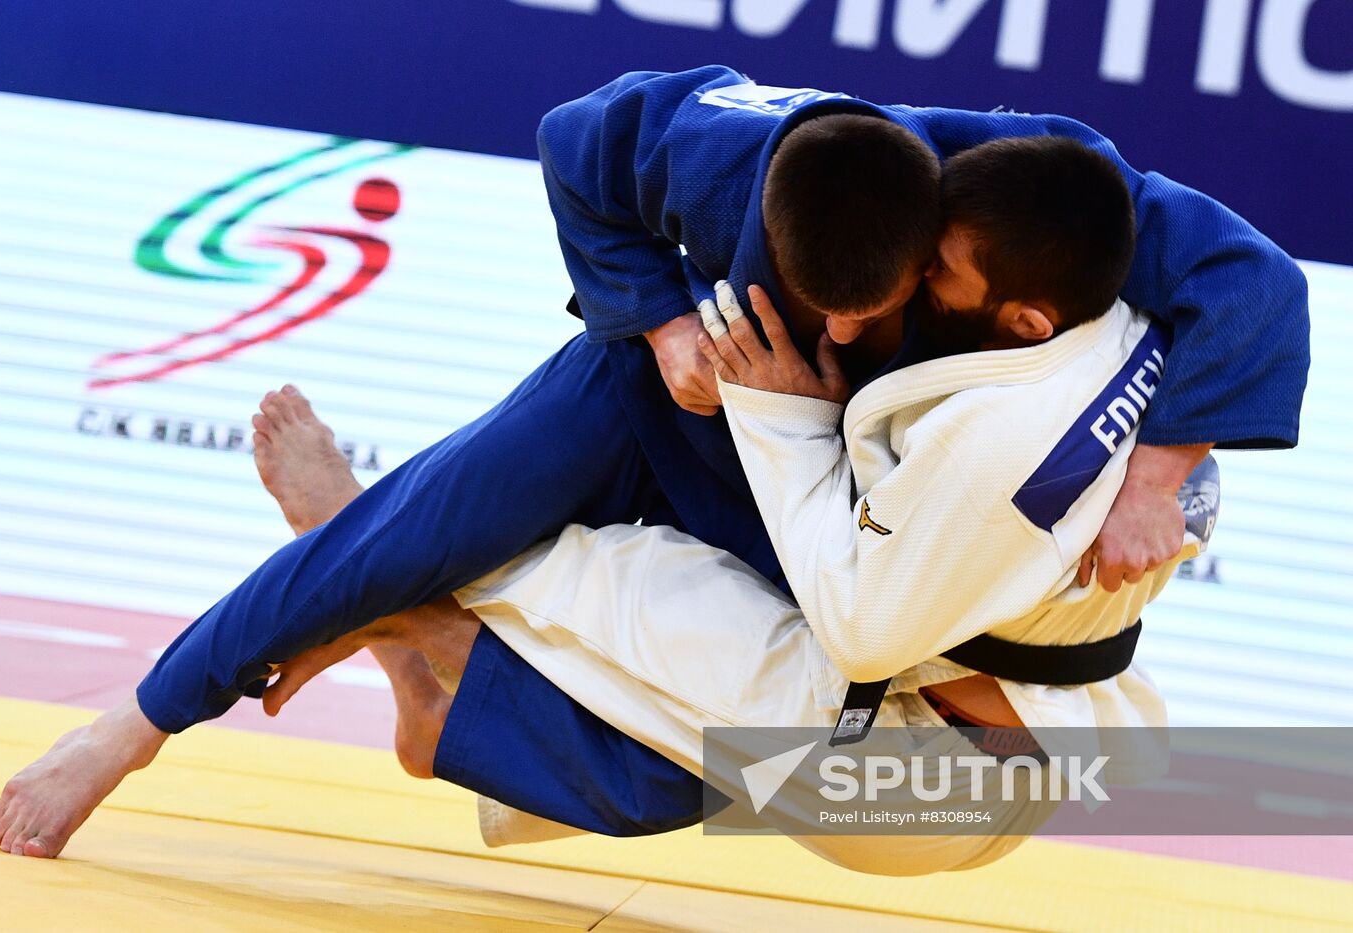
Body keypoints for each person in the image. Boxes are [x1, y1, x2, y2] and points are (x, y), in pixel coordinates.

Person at [0, 66, 1306, 858]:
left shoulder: (1005, 181)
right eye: (823, 303)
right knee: (408, 528)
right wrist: (662, 317)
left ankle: (416, 643)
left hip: (806, 476)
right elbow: (575, 140)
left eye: (885, 305)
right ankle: (129, 728)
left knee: (671, 779)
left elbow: (1250, 273)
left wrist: (1163, 457)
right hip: (656, 393)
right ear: (754, 228)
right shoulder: (718, 147)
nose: (848, 331)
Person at [257, 137, 1214, 874]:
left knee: (631, 585)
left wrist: (785, 421)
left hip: (915, 778)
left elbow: (881, 645)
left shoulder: (1007, 452)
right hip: (1006, 770)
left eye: (938, 268)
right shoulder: (1128, 380)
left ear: (1025, 316)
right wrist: (1156, 478)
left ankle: (380, 585)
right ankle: (428, 691)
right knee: (675, 717)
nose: (915, 276)